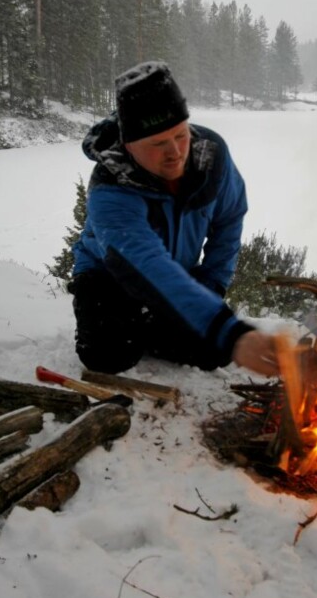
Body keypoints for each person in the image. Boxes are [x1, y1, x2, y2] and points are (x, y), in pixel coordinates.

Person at [69, 60, 278, 377]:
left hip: (175, 272)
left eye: (181, 135)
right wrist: (228, 330)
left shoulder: (212, 156)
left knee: (211, 354)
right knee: (108, 355)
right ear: (129, 144)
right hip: (108, 275)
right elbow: (145, 263)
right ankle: (141, 316)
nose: (175, 152)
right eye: (157, 143)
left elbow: (229, 218)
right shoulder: (110, 188)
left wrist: (212, 284)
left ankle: (156, 315)